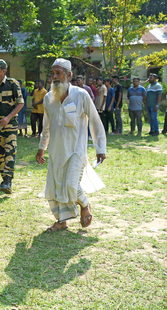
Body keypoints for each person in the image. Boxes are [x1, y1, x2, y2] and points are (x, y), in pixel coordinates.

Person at [36, 58, 106, 231]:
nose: (55, 77)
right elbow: (46, 126)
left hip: (76, 150)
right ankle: (61, 221)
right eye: (52, 74)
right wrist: (41, 147)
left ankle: (85, 205)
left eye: (58, 73)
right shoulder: (48, 99)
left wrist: (100, 148)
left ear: (69, 75)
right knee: (55, 186)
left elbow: (95, 122)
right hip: (56, 151)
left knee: (70, 185)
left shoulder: (81, 95)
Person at [0, 59, 24, 194]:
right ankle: (4, 180)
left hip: (10, 125)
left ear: (3, 71)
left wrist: (8, 118)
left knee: (10, 152)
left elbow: (20, 103)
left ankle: (8, 181)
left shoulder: (13, 84)